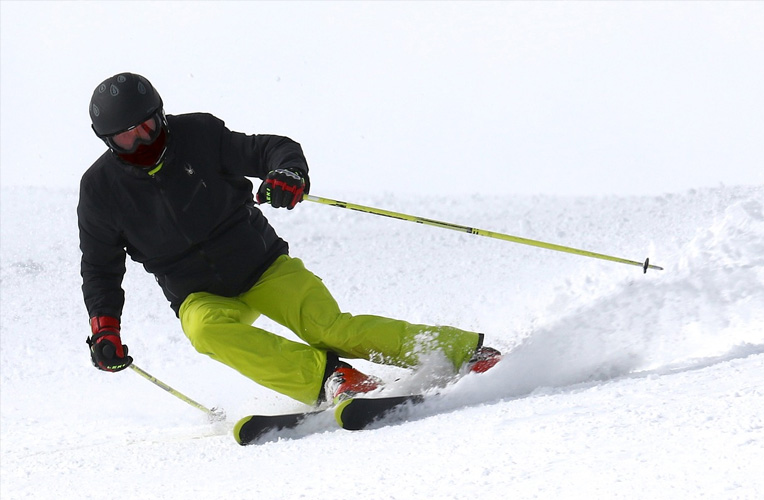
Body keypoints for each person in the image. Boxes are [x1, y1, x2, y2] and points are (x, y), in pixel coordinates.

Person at [79, 72, 501, 407]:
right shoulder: (100, 190)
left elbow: (271, 149)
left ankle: (461, 352)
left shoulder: (199, 135)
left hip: (262, 266)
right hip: (198, 293)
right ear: (108, 141)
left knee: (331, 329)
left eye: (148, 126)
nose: (142, 140)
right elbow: (100, 267)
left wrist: (287, 173)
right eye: (126, 136)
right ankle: (332, 378)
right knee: (205, 331)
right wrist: (105, 329)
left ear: (161, 114)